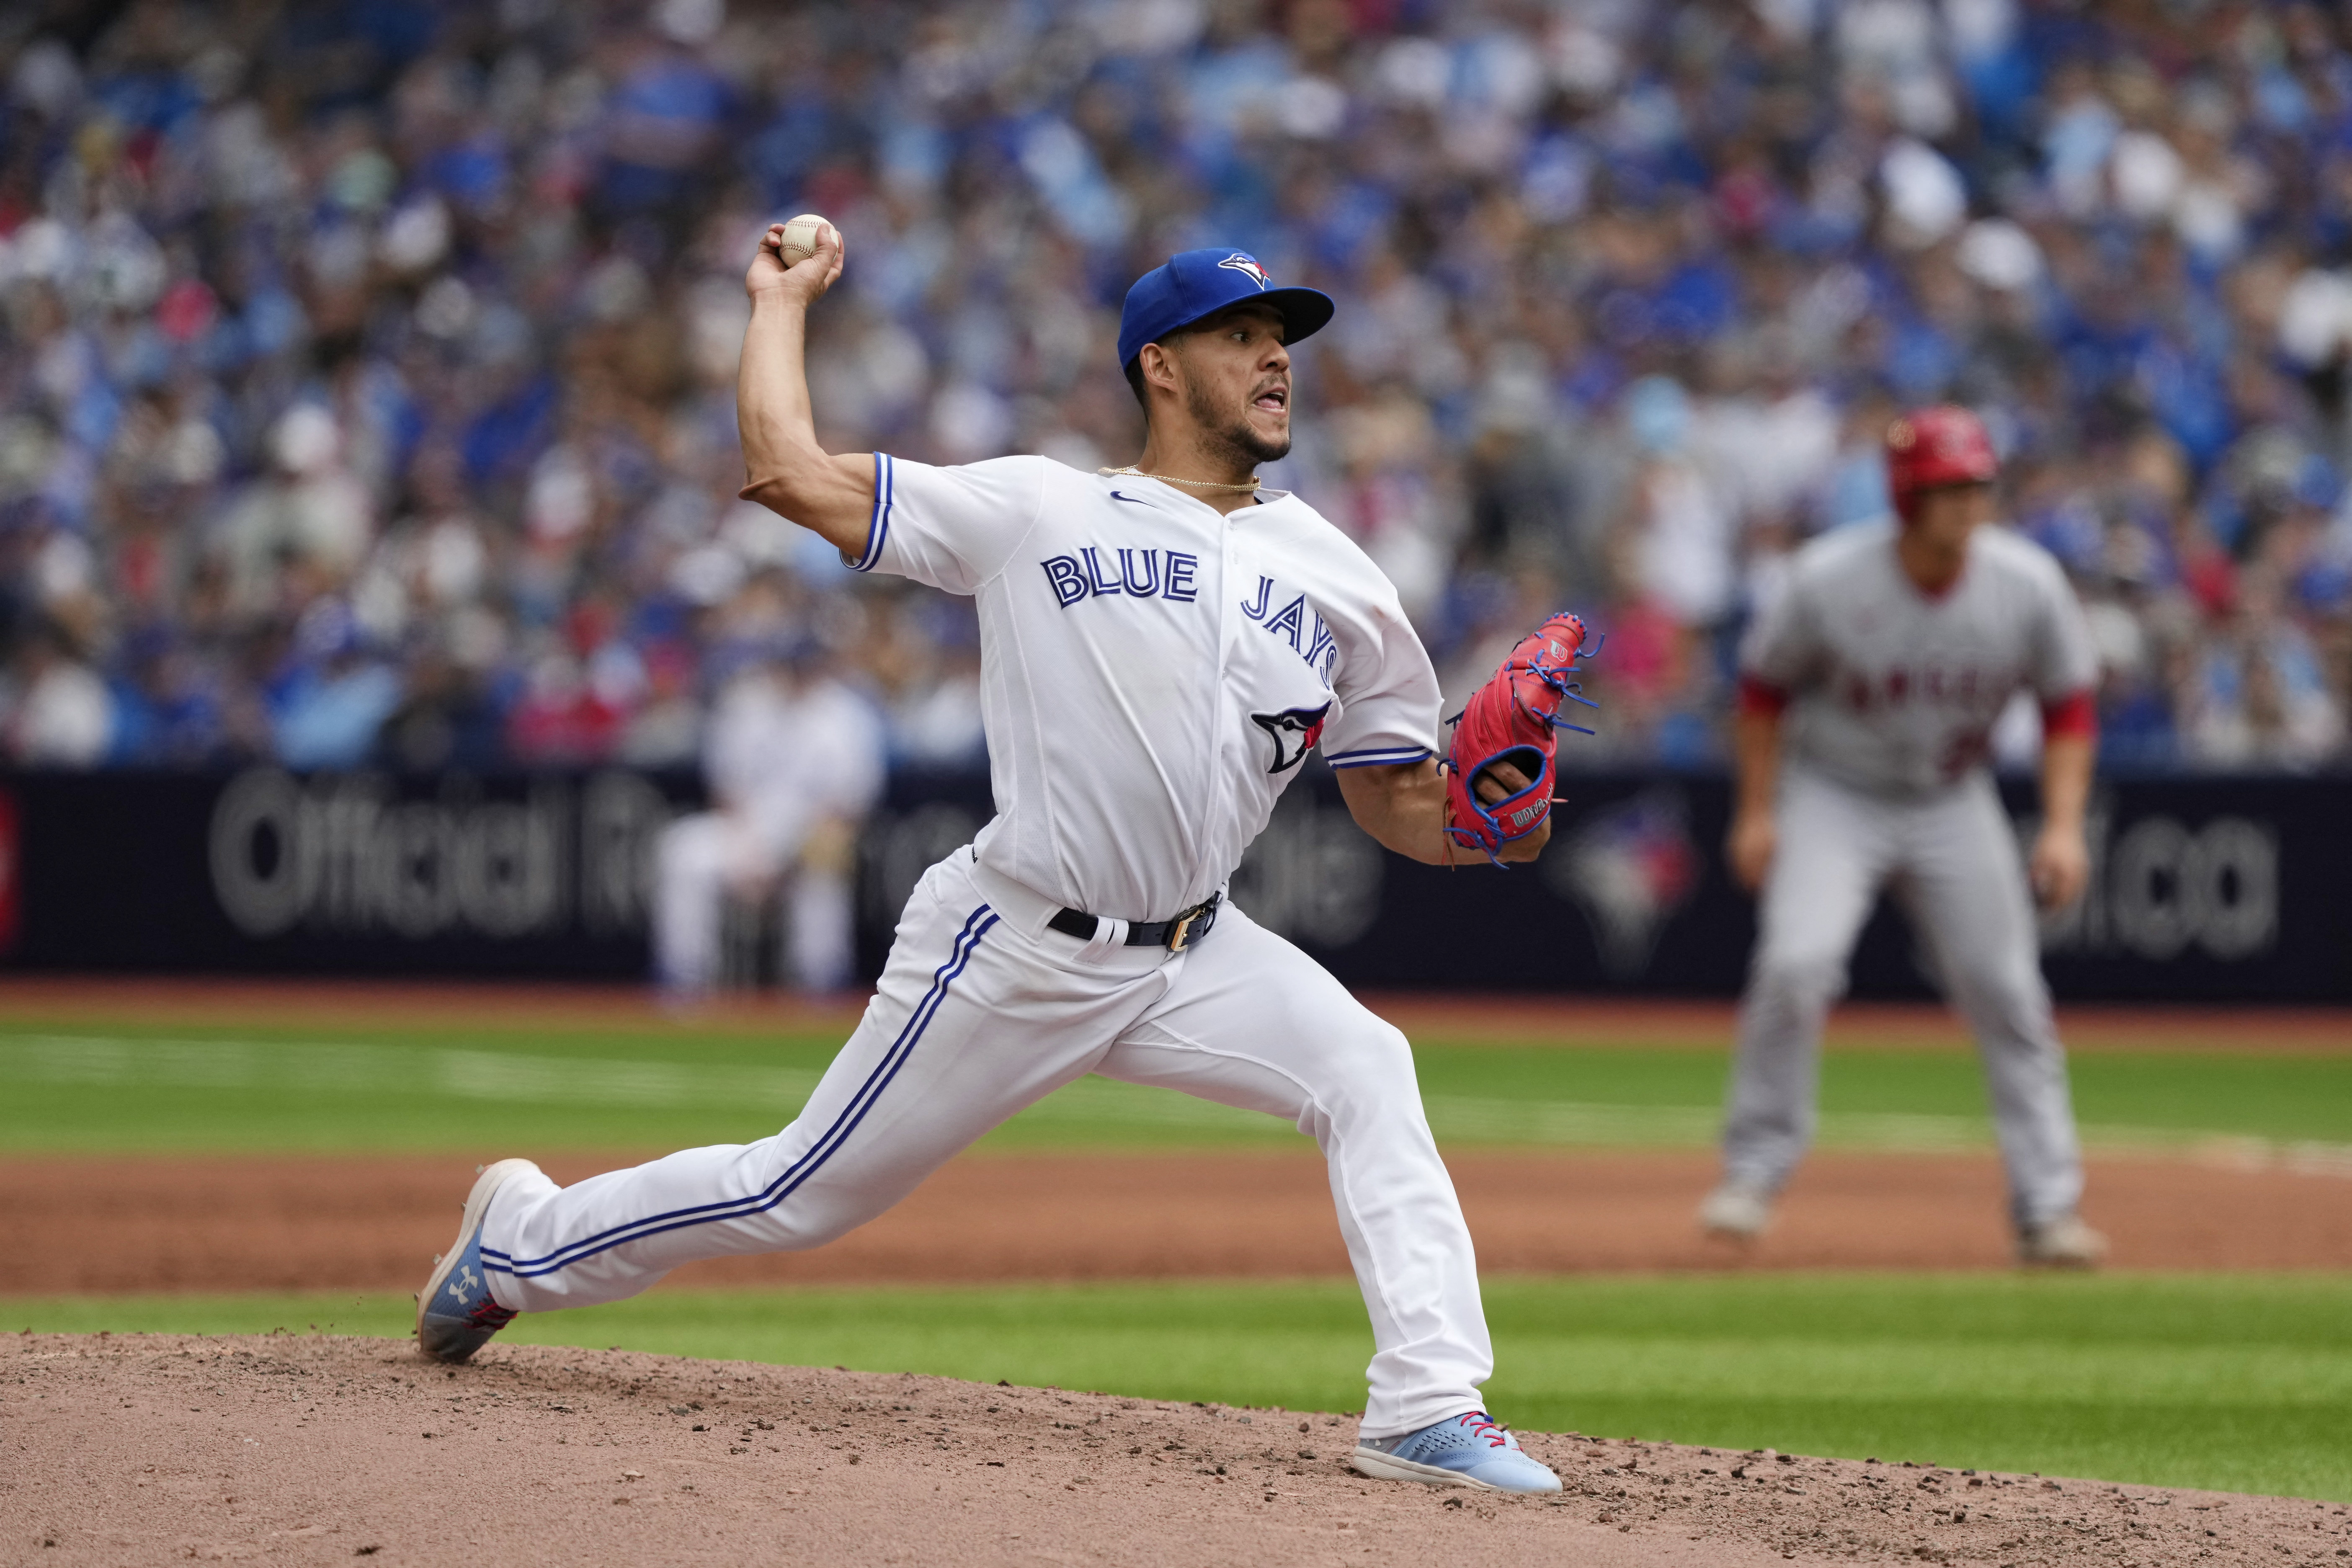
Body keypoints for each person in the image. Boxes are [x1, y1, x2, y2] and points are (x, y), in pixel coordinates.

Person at [415, 227, 1571, 1493]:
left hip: (1194, 949)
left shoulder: (1343, 577)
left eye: (1282, 337)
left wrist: (1490, 818)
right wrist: (776, 302)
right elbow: (785, 470)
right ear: (1161, 368)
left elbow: (1399, 807)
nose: (1275, 358)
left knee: (1368, 1067)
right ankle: (516, 1242)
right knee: (794, 1191)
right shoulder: (1039, 506)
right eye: (1241, 336)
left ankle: (1425, 1405)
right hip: (1016, 941)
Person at [1700, 405, 2108, 1266]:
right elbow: (1763, 695)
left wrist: (2065, 826)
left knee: (2007, 990)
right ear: (1906, 495)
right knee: (1796, 965)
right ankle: (1753, 1172)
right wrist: (1759, 810)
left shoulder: (2026, 581)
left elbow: (2069, 705)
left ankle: (2048, 1206)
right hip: (1835, 792)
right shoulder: (1828, 578)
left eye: (1978, 486)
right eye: (1949, 488)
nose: (1969, 503)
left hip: (1952, 797)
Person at [652, 639, 885, 997]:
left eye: (803, 668)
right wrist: (749, 853)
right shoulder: (745, 703)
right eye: (788, 667)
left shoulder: (846, 713)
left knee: (824, 862)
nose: (794, 677)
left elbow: (850, 808)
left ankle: (822, 986)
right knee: (682, 850)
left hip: (810, 833)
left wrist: (786, 857)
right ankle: (684, 982)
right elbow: (726, 791)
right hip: (748, 831)